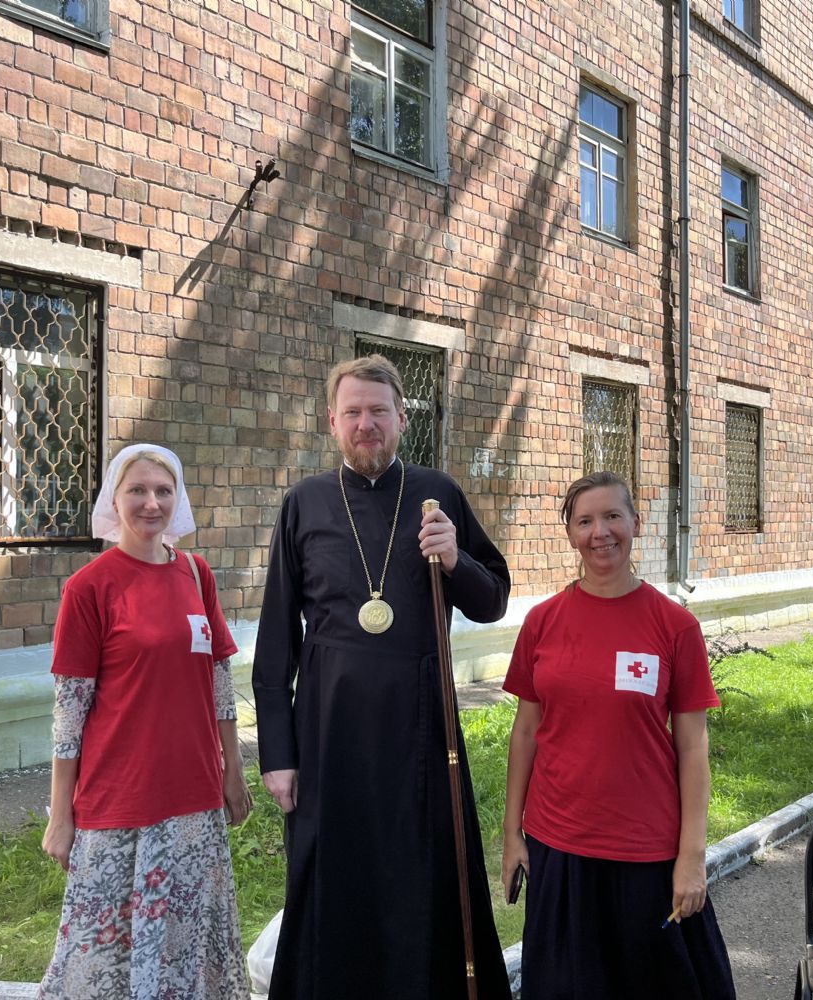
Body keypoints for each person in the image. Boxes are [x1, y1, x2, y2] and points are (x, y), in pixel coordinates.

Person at [253, 355, 513, 1000]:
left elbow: (491, 601)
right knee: (333, 874)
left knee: (422, 870)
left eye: (378, 411)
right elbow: (277, 638)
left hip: (419, 727)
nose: (365, 424)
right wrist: (278, 755)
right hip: (329, 729)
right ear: (332, 422)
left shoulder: (437, 494)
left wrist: (454, 559)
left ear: (402, 418)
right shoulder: (304, 502)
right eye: (353, 412)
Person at [500, 471, 736, 1000]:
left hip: (646, 851)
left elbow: (692, 747)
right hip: (559, 846)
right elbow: (526, 732)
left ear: (636, 522)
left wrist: (691, 856)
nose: (600, 532)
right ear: (570, 534)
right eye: (585, 521)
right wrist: (513, 834)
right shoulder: (542, 622)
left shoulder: (674, 626)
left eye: (612, 516)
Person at [38, 444, 251, 1000]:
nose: (151, 502)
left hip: (194, 798)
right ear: (115, 499)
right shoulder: (89, 588)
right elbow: (69, 713)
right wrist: (61, 815)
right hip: (119, 802)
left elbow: (219, 681)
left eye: (163, 490)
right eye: (137, 490)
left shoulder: (196, 574)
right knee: (105, 959)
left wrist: (233, 772)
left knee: (188, 948)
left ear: (178, 499)